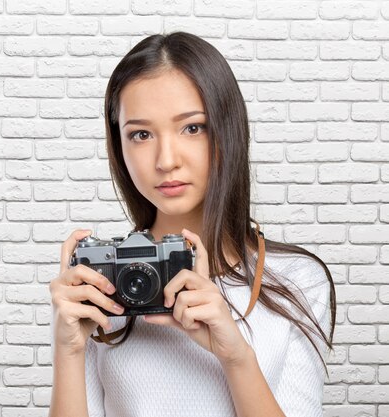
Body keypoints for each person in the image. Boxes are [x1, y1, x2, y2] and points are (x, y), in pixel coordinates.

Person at [48, 31, 336, 417]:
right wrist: (68, 350)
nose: (166, 160)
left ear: (227, 130)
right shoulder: (103, 281)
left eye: (192, 127)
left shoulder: (295, 280)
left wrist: (235, 355)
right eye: (141, 134)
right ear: (118, 145)